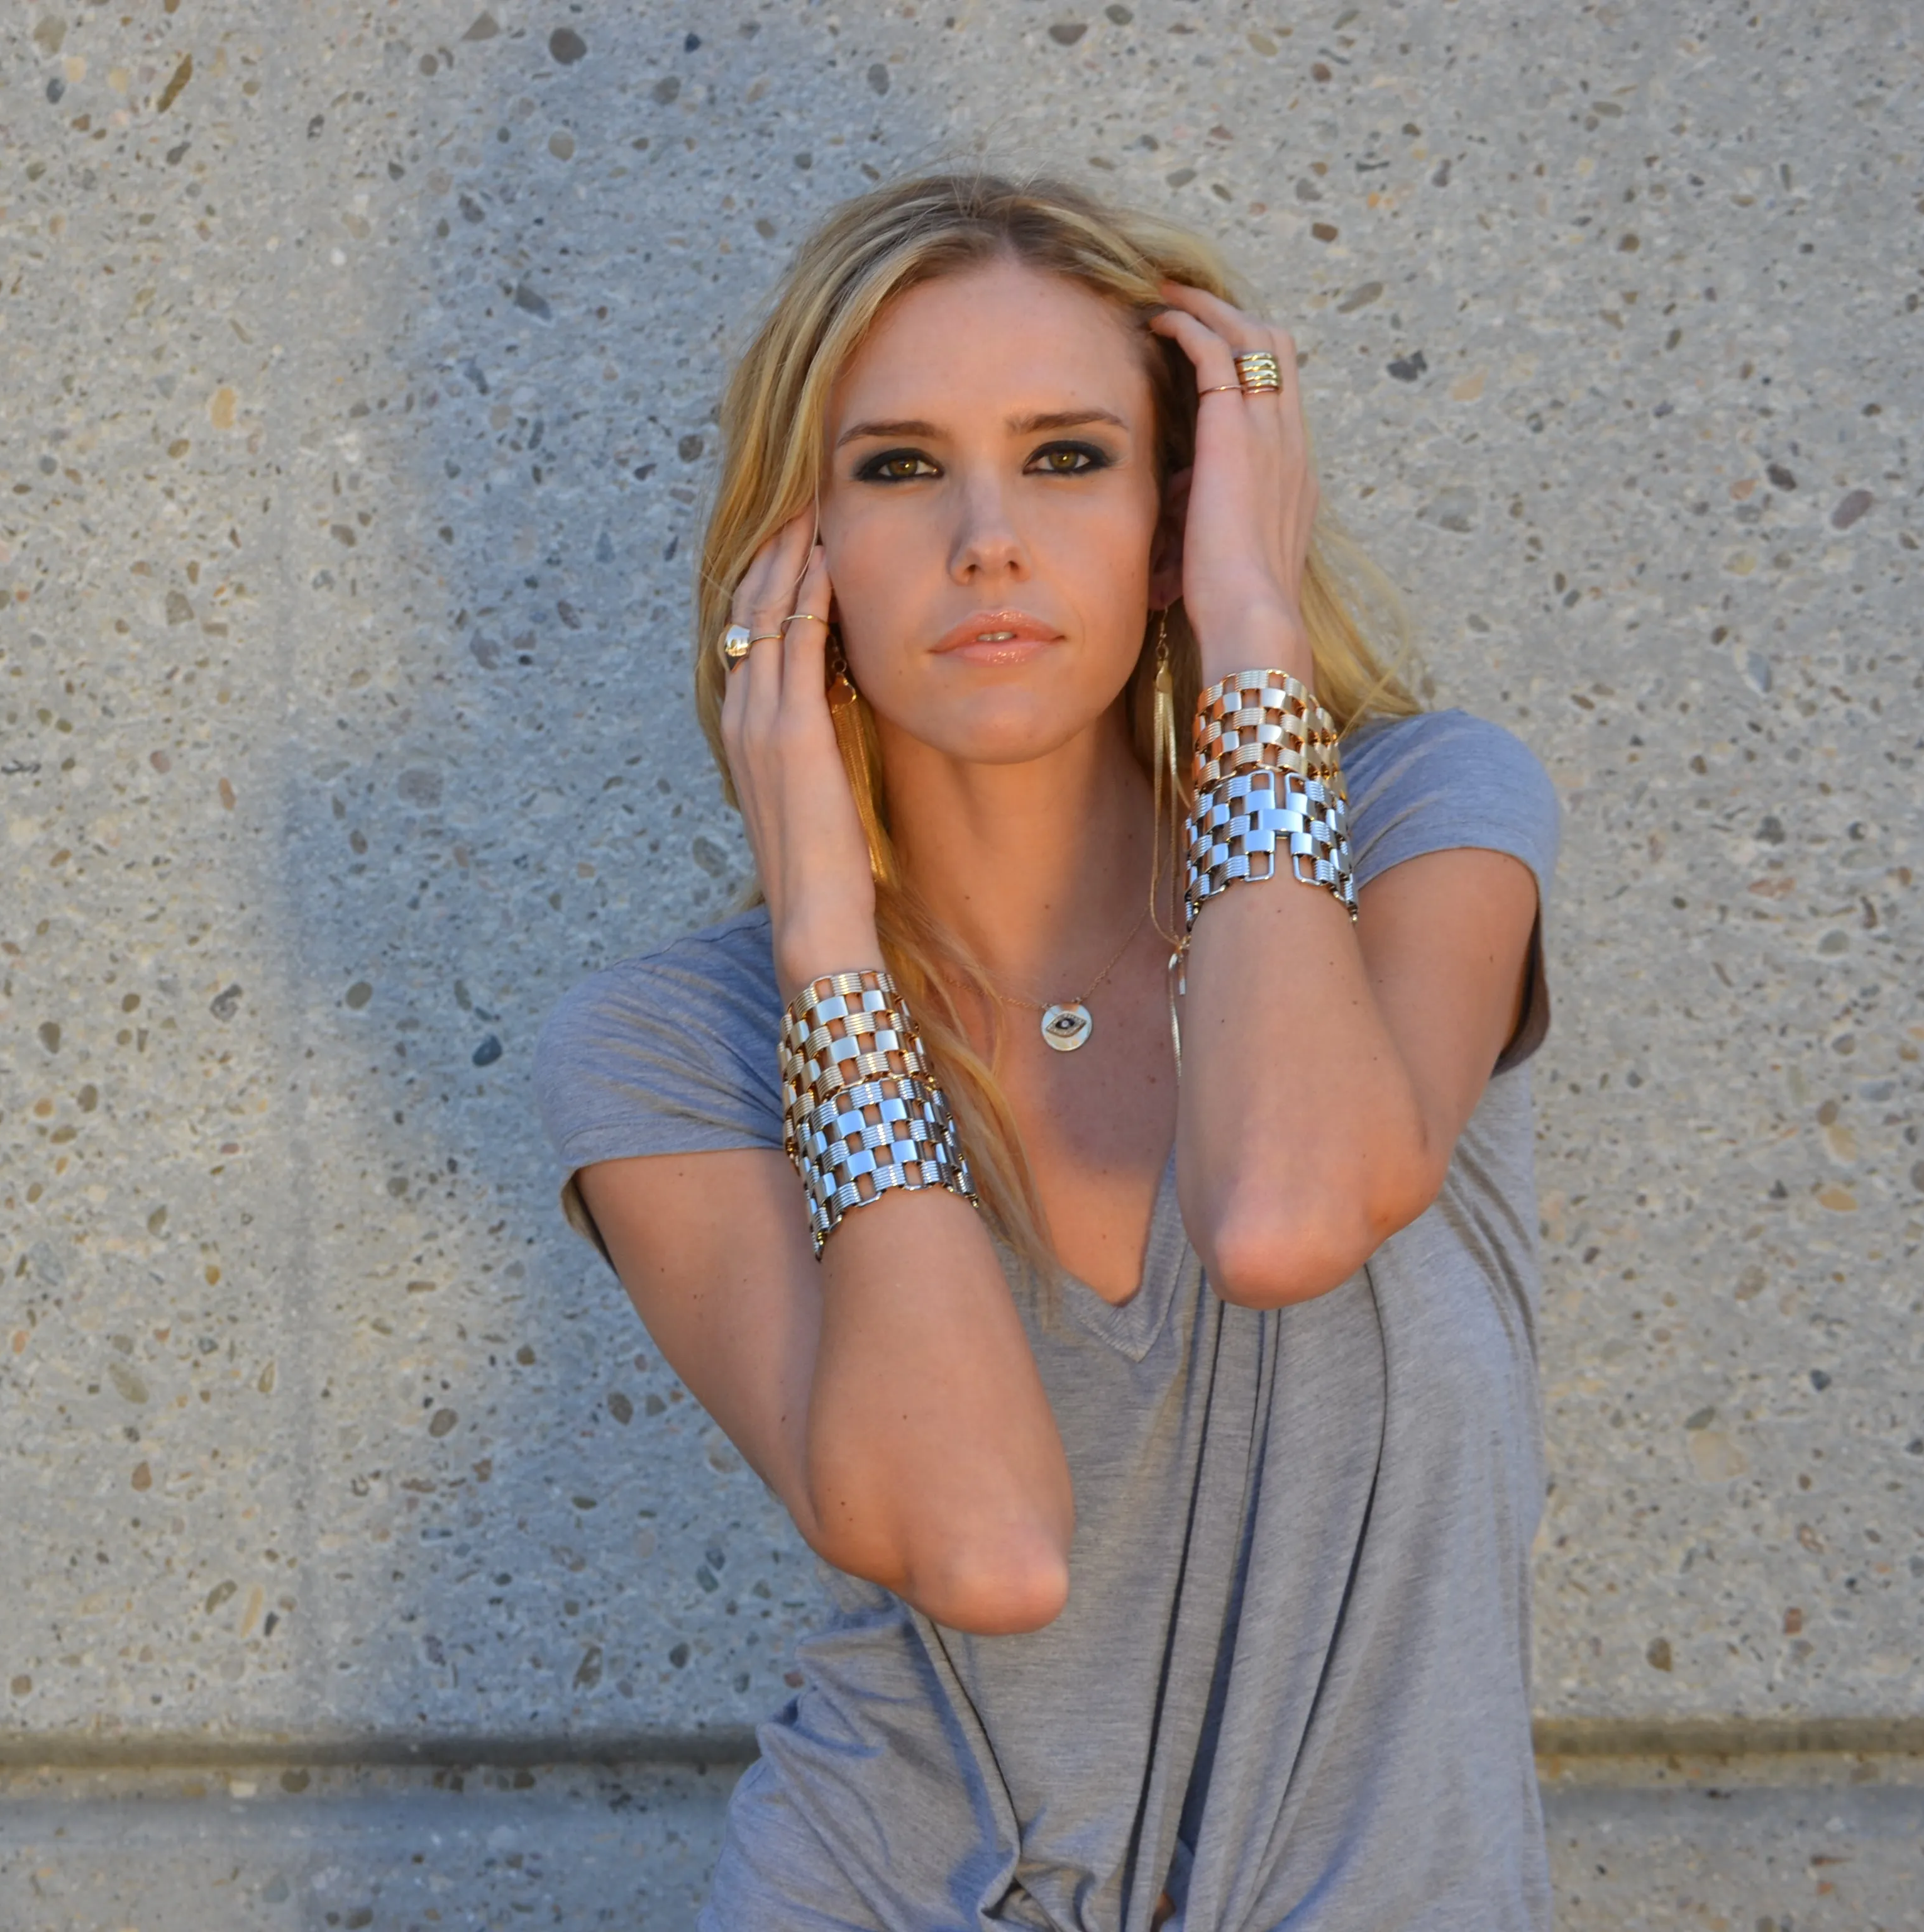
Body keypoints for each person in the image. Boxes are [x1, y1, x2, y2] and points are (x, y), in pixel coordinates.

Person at [532, 173, 1561, 1930]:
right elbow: (985, 1548)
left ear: (1176, 512)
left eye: (1071, 457)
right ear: (803, 549)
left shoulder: (1409, 828)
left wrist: (1251, 628)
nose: (987, 539)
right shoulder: (674, 1052)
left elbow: (1288, 1208)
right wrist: (828, 942)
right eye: (902, 467)